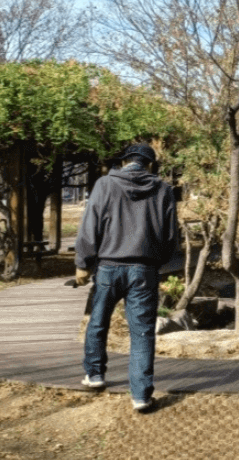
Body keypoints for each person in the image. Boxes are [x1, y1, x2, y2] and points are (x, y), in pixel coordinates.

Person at [74, 144, 179, 413]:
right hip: (145, 270)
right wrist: (156, 261)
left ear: (125, 162)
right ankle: (141, 396)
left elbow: (90, 226)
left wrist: (83, 263)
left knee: (98, 321)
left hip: (109, 266)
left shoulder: (105, 184)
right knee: (142, 332)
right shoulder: (164, 189)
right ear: (150, 165)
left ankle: (95, 375)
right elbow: (170, 237)